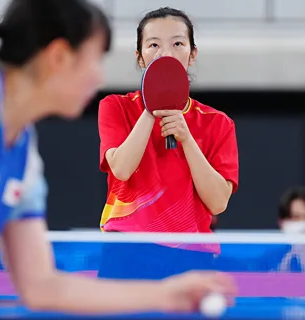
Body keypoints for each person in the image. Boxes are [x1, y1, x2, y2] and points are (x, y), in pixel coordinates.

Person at [0, 1, 236, 319]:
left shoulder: (21, 153)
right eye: (95, 60)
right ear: (59, 57)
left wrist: (165, 294)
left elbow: (41, 287)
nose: (99, 76)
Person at [97, 7, 239, 279]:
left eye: (177, 43)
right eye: (153, 45)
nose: (166, 53)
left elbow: (218, 202)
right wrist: (152, 109)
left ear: (192, 53)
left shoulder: (218, 123)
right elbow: (122, 169)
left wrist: (186, 139)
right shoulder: (116, 107)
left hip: (190, 254)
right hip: (126, 250)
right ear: (140, 57)